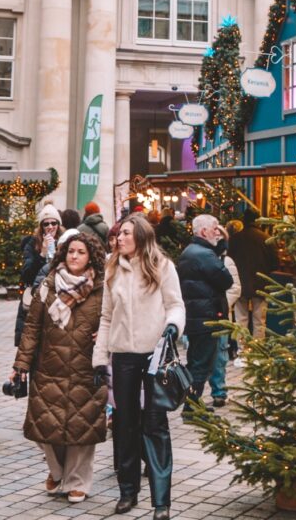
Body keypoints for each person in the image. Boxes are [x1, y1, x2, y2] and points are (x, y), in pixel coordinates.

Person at [93, 213, 185, 520]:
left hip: (154, 356)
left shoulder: (162, 266)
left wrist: (173, 327)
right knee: (125, 424)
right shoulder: (112, 269)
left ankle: (162, 502)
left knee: (155, 426)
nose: (119, 239)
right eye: (119, 234)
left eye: (126, 234)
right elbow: (106, 317)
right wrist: (99, 358)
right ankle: (127, 491)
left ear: (142, 237)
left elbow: (175, 305)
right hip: (123, 357)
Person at [12, 231, 107, 504]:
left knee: (82, 426)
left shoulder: (102, 287)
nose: (74, 256)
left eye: (80, 252)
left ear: (91, 258)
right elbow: (31, 327)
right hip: (48, 365)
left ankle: (77, 481)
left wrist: (105, 334)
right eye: (70, 251)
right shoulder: (48, 285)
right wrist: (21, 364)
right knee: (45, 424)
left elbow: (113, 320)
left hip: (85, 366)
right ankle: (56, 470)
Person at [177, 214, 234, 413]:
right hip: (206, 317)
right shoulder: (204, 255)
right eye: (215, 228)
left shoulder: (190, 252)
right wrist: (221, 255)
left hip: (195, 316)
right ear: (203, 232)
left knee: (195, 361)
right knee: (202, 364)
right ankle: (192, 406)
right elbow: (226, 280)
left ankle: (192, 403)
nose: (217, 232)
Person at [227, 208, 278, 364]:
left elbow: (228, 259)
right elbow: (275, 262)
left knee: (240, 319)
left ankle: (243, 352)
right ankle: (257, 352)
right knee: (259, 320)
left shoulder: (235, 239)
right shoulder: (266, 238)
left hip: (240, 285)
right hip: (260, 284)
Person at [14, 204, 63, 346]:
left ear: (58, 224)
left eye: (54, 223)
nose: (50, 226)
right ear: (41, 226)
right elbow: (27, 274)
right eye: (46, 223)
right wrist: (41, 253)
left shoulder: (65, 241)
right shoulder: (32, 243)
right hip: (37, 297)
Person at [208, 224, 241, 407]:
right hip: (200, 316)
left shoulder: (226, 261)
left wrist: (220, 305)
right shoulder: (200, 258)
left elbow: (235, 288)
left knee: (220, 356)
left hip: (220, 315)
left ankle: (219, 391)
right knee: (199, 357)